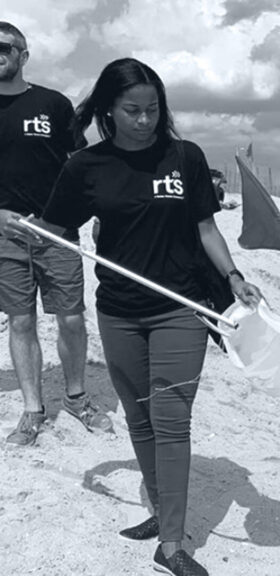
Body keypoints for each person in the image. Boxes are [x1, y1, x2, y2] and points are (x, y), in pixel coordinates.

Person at [40, 58, 263, 576]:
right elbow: (56, 229)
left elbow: (206, 228)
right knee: (139, 419)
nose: (144, 120)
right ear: (108, 110)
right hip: (118, 310)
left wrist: (233, 276)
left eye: (152, 109)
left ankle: (172, 543)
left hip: (179, 307)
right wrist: (24, 227)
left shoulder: (184, 157)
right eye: (132, 110)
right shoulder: (86, 166)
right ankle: (162, 512)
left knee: (172, 420)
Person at [0, 22, 111, 446]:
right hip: (6, 236)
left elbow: (81, 165)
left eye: (4, 47)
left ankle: (77, 397)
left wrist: (95, 212)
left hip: (57, 231)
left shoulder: (52, 104)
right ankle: (32, 409)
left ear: (23, 55)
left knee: (70, 318)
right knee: (20, 320)